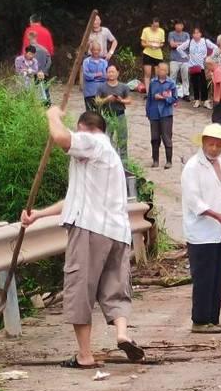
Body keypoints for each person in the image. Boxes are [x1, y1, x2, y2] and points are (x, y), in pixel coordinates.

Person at [19, 106, 144, 368]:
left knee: (80, 288)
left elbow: (63, 139)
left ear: (84, 127)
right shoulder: (111, 157)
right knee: (115, 288)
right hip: (118, 233)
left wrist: (52, 116)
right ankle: (121, 333)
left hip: (90, 229)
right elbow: (74, 200)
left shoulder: (93, 141)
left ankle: (85, 355)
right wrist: (39, 214)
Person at [182, 123, 221, 334]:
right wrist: (216, 215)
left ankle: (213, 316)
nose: (214, 149)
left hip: (219, 231)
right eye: (211, 144)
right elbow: (194, 202)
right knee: (203, 277)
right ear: (203, 142)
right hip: (202, 232)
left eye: (218, 145)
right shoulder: (193, 167)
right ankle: (200, 319)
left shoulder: (220, 163)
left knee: (216, 276)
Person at [96, 64, 132, 160]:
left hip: (120, 115)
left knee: (123, 139)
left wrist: (121, 100)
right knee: (108, 139)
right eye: (109, 72)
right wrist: (107, 99)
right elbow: (97, 101)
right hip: (107, 116)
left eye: (113, 71)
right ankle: (110, 160)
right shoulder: (101, 87)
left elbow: (129, 100)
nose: (111, 74)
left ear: (118, 73)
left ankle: (125, 164)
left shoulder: (124, 86)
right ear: (106, 74)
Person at [146, 61, 178, 168]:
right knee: (154, 137)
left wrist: (164, 98)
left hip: (166, 113)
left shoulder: (171, 83)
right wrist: (148, 112)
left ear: (167, 71)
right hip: (154, 112)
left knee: (166, 137)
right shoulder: (153, 82)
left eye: (164, 70)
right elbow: (149, 99)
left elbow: (175, 98)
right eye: (160, 69)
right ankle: (155, 160)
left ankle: (169, 161)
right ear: (157, 70)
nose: (162, 71)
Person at [179, 27, 216, 108]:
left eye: (198, 33)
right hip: (193, 65)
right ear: (192, 35)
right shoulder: (189, 42)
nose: (196, 35)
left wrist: (209, 57)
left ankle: (205, 101)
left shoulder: (205, 41)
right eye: (194, 33)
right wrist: (186, 56)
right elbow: (179, 48)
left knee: (203, 83)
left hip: (203, 65)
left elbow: (215, 48)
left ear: (200, 34)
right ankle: (196, 100)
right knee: (195, 83)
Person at [82, 41, 108, 113]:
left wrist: (92, 76)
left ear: (100, 51)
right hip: (89, 91)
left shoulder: (104, 62)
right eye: (94, 50)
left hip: (101, 91)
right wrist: (96, 75)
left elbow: (105, 76)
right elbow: (86, 75)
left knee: (99, 113)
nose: (96, 52)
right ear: (91, 50)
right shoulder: (86, 61)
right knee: (89, 113)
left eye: (98, 50)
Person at [140, 17, 166, 88]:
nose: (156, 28)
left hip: (158, 55)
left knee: (158, 74)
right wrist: (149, 45)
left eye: (157, 26)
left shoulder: (161, 31)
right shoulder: (146, 30)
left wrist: (159, 46)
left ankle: (156, 91)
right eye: (154, 26)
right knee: (147, 74)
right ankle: (148, 92)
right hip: (148, 53)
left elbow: (162, 43)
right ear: (151, 25)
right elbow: (142, 43)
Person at [168, 20, 191, 100]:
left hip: (185, 59)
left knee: (185, 77)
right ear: (175, 26)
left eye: (180, 25)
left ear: (182, 26)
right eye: (177, 25)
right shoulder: (171, 34)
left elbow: (188, 45)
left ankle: (186, 94)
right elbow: (172, 45)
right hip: (174, 58)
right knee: (172, 76)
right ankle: (171, 93)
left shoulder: (186, 34)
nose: (178, 26)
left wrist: (177, 43)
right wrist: (182, 44)